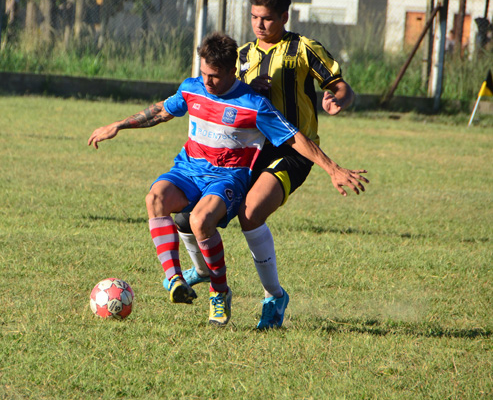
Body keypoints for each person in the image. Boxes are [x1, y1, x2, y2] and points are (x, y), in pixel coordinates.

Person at [88, 32, 367, 327]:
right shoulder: (192, 89)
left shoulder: (253, 104)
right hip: (188, 170)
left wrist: (333, 168)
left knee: (199, 220)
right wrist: (118, 125)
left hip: (227, 177)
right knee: (154, 197)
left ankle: (219, 292)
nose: (208, 82)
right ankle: (174, 280)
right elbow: (160, 111)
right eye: (205, 73)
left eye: (216, 76)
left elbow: (295, 138)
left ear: (233, 72)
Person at [170, 0, 367, 330]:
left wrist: (338, 98)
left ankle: (274, 296)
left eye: (267, 19)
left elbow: (340, 85)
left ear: (284, 17)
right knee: (187, 214)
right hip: (248, 152)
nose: (260, 25)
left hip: (295, 152)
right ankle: (201, 269)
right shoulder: (242, 56)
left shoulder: (304, 49)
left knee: (250, 213)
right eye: (254, 17)